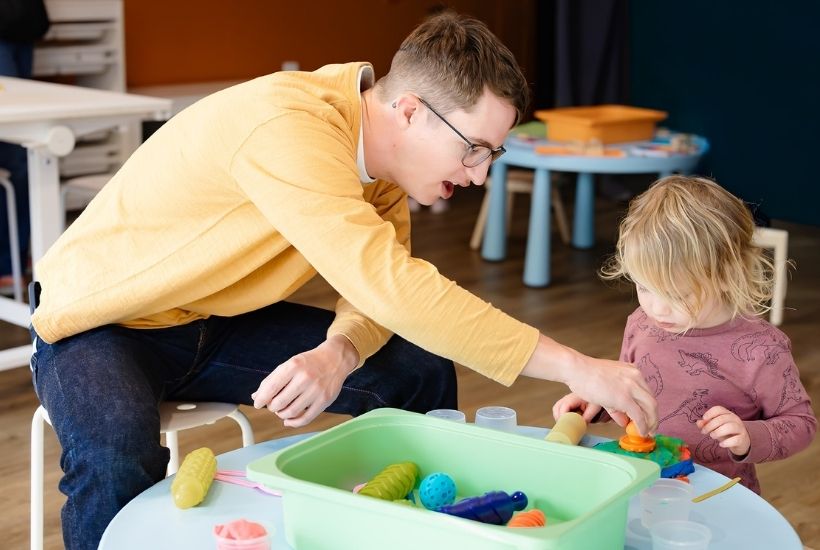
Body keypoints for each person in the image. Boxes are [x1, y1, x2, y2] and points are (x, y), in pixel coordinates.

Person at [30, 12, 657, 549]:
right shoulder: (287, 129)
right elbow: (394, 287)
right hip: (102, 322)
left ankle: (416, 529)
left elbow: (376, 296)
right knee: (116, 456)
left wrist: (340, 352)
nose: (479, 175)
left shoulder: (381, 171)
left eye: (490, 155)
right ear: (410, 112)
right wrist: (575, 366)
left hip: (211, 321)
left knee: (417, 370)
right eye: (474, 149)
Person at [553, 175, 816, 494]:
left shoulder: (762, 349)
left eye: (677, 295)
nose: (657, 309)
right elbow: (630, 391)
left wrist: (749, 437)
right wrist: (597, 399)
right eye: (644, 287)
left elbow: (801, 424)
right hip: (646, 485)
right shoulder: (641, 323)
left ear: (727, 274)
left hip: (717, 496)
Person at [0, 0, 50, 293]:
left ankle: (13, 260)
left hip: (22, 23)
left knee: (22, 151)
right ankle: (9, 262)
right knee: (17, 154)